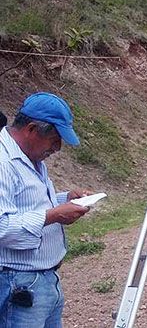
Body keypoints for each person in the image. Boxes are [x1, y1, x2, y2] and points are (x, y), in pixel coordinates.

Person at [0, 92, 92, 327]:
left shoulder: (31, 159)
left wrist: (65, 199)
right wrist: (53, 215)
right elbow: (2, 225)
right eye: (54, 139)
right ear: (31, 129)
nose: (58, 147)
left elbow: (27, 204)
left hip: (44, 280)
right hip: (17, 284)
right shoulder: (3, 163)